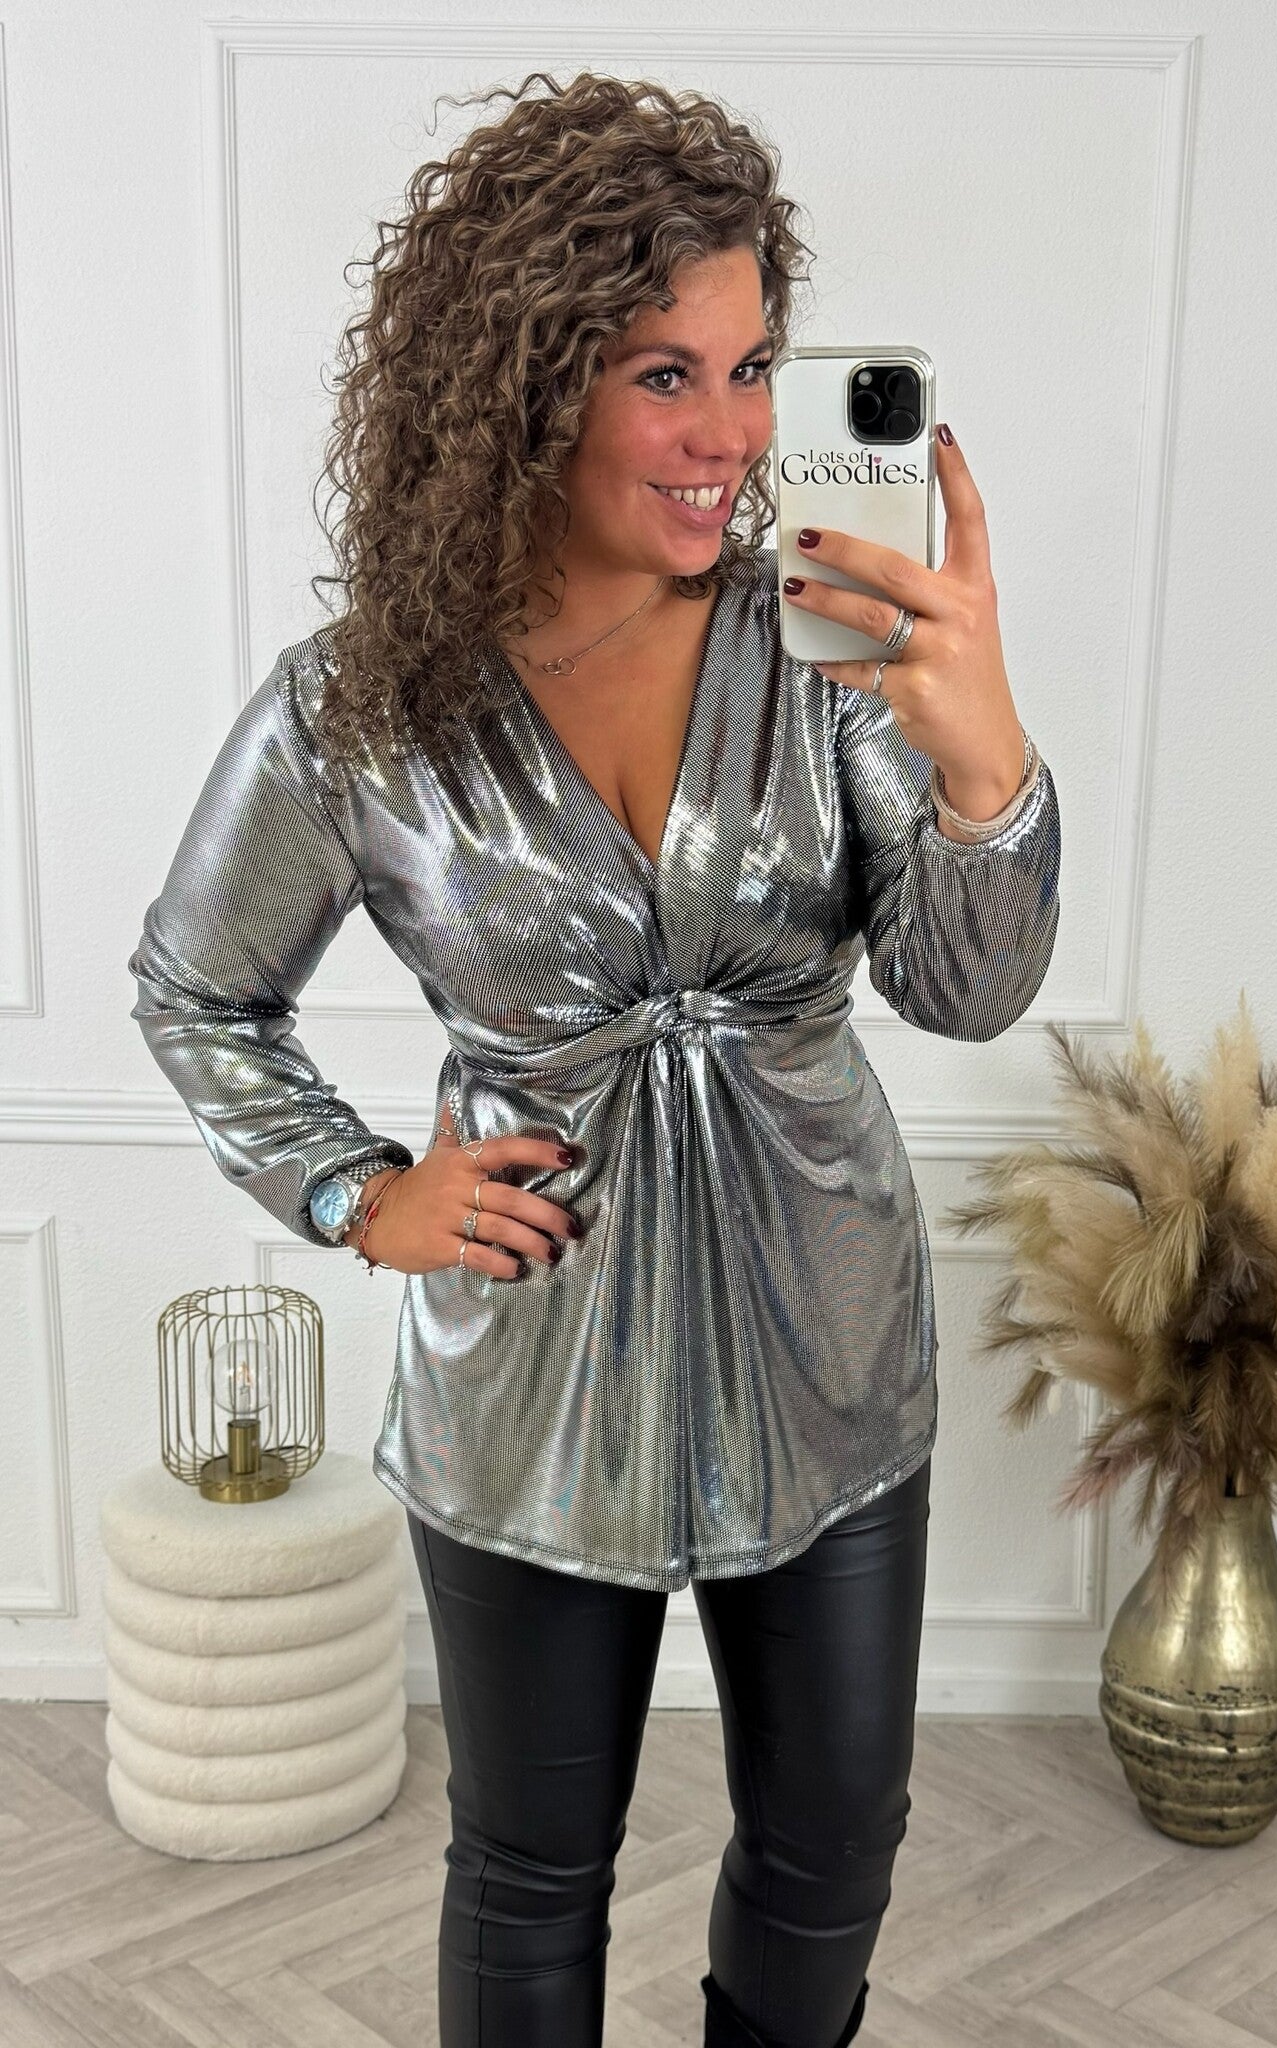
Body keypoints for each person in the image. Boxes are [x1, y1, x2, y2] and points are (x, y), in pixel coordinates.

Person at [128, 69, 1059, 2048]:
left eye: (751, 367)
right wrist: (359, 1194)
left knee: (833, 1843)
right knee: (531, 1865)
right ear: (524, 387)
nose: (731, 434)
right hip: (534, 1366)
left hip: (826, 1336)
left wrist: (980, 758)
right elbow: (197, 989)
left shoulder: (823, 641)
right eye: (664, 375)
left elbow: (962, 992)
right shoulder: (363, 704)